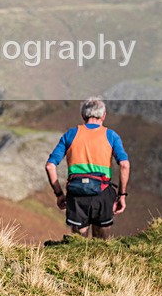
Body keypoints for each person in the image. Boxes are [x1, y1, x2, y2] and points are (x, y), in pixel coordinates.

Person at [45, 97, 130, 239]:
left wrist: (59, 194)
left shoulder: (71, 134)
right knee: (101, 247)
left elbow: (50, 166)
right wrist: (121, 195)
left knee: (79, 247)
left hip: (77, 196)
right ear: (103, 116)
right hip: (102, 195)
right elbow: (124, 165)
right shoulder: (111, 136)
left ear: (83, 115)